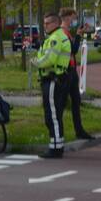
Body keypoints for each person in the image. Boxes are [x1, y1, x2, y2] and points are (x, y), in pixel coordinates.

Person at [36, 12, 72, 159]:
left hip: (53, 80)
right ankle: (57, 145)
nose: (45, 26)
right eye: (44, 23)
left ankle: (56, 148)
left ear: (56, 23)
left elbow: (49, 59)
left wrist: (36, 62)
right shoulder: (56, 37)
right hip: (58, 79)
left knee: (52, 115)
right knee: (54, 114)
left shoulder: (55, 38)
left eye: (47, 23)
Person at [59, 7, 93, 141]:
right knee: (62, 102)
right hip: (66, 72)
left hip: (71, 71)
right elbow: (73, 50)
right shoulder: (62, 33)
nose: (74, 21)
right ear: (67, 18)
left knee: (76, 101)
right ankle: (59, 133)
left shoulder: (66, 32)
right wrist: (78, 34)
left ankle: (79, 130)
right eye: (73, 18)